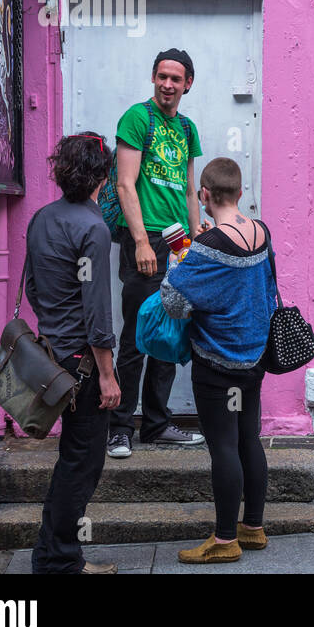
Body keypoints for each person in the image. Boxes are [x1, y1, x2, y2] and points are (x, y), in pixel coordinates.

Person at [159, 158, 276, 564]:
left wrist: (178, 261)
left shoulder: (207, 247)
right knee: (249, 440)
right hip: (255, 358)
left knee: (223, 446)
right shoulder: (261, 232)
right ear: (240, 193)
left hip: (217, 362)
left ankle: (225, 541)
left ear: (205, 195)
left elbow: (174, 303)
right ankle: (254, 528)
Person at [27, 133, 124, 574]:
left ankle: (54, 555)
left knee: (71, 458)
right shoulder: (94, 227)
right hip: (82, 364)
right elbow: (98, 312)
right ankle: (60, 561)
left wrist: (55, 327)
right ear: (103, 176)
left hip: (51, 354)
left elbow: (32, 287)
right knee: (81, 462)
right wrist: (107, 374)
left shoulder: (42, 218)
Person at [108, 48, 209, 458]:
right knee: (135, 336)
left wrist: (197, 232)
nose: (168, 84)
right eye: (162, 76)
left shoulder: (186, 128)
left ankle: (156, 423)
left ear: (188, 84)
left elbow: (188, 188)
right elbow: (125, 184)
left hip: (179, 243)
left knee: (169, 335)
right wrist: (141, 242)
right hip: (145, 239)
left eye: (176, 78)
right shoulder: (137, 118)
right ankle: (119, 428)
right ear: (154, 78)